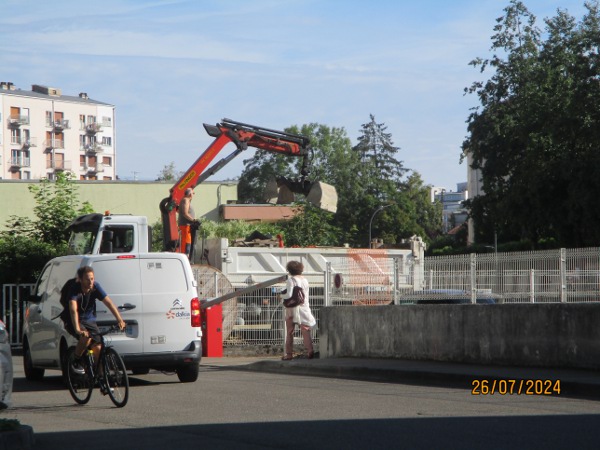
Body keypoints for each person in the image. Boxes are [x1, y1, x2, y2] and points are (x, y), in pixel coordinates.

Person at [69, 266, 126, 382]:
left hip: (89, 320)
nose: (91, 282)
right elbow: (73, 309)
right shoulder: (74, 288)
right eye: (87, 279)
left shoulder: (95, 287)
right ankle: (76, 360)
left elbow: (109, 303)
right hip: (74, 319)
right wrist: (77, 329)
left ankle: (102, 378)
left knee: (99, 348)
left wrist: (120, 320)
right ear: (80, 279)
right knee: (86, 338)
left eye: (92, 279)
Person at [281, 261, 316, 360]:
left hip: (292, 309)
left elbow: (289, 295)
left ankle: (289, 354)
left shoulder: (291, 280)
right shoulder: (305, 280)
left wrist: (280, 295)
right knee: (305, 330)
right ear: (301, 269)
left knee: (290, 332)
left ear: (289, 270)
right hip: (303, 307)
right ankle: (310, 351)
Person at [178, 187, 196, 256]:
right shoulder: (185, 200)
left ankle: (186, 256)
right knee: (186, 243)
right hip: (185, 226)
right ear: (190, 194)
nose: (193, 195)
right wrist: (193, 220)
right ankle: (185, 257)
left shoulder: (186, 200)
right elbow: (185, 213)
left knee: (187, 243)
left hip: (187, 226)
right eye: (193, 193)